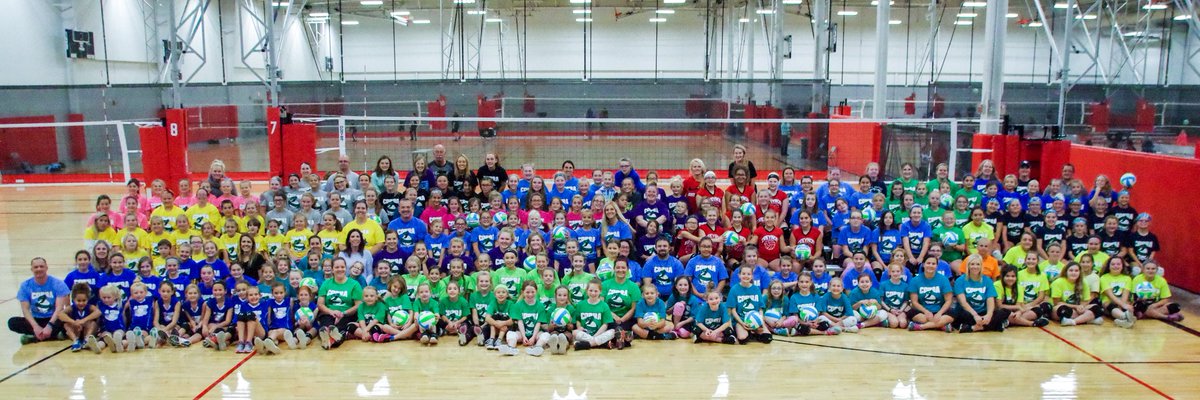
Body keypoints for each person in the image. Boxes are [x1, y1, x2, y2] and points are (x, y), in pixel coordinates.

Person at [9, 257, 70, 343]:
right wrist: (35, 327)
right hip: (36, 319)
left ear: (46, 268)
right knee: (12, 322)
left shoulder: (58, 283)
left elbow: (59, 308)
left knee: (68, 318)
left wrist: (50, 325)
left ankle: (34, 337)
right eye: (36, 267)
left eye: (41, 266)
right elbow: (25, 310)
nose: (39, 269)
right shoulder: (25, 285)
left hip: (54, 319)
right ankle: (52, 335)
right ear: (32, 269)